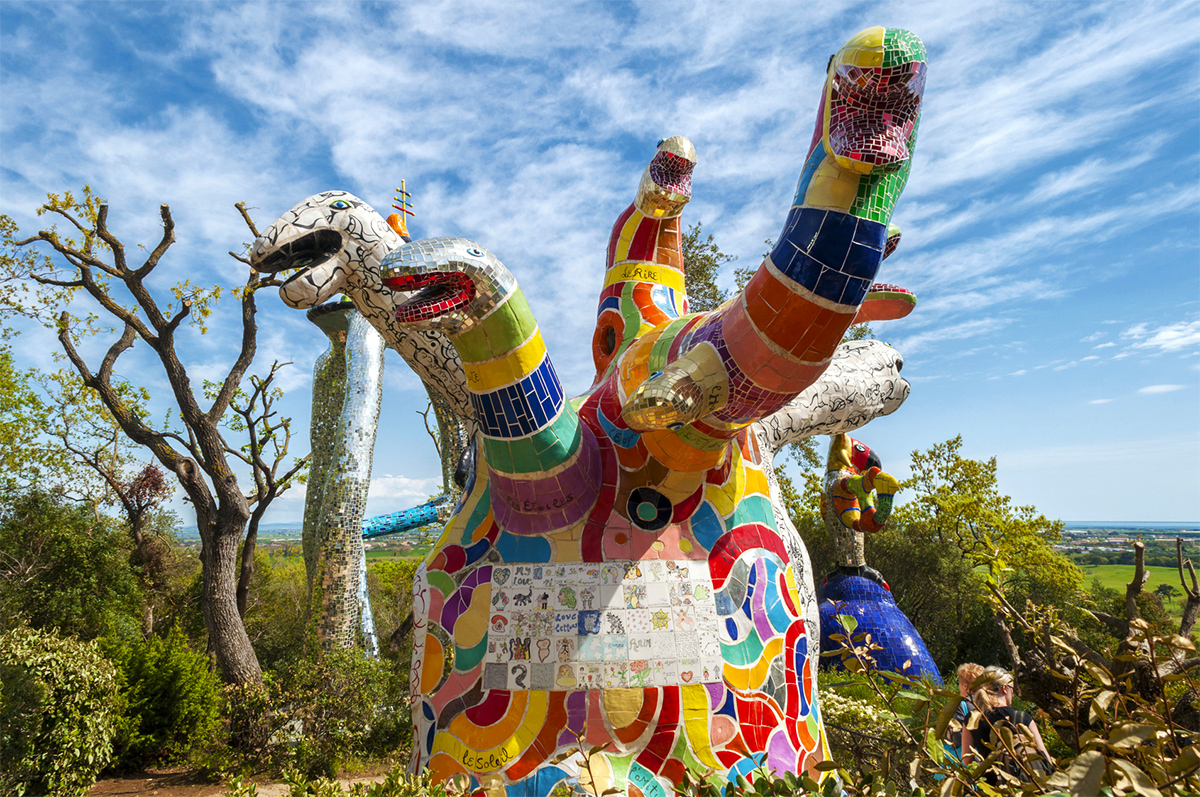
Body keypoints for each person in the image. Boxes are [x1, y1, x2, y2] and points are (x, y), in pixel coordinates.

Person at [962, 666, 1053, 784]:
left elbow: (967, 761)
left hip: (994, 789)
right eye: (1013, 689)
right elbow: (1045, 757)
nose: (1014, 694)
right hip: (1031, 788)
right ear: (1005, 688)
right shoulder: (1023, 718)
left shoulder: (973, 719)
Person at [947, 662, 984, 760]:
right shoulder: (989, 704)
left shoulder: (961, 705)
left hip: (967, 760)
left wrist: (949, 733)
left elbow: (957, 738)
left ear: (965, 686)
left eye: (959, 683)